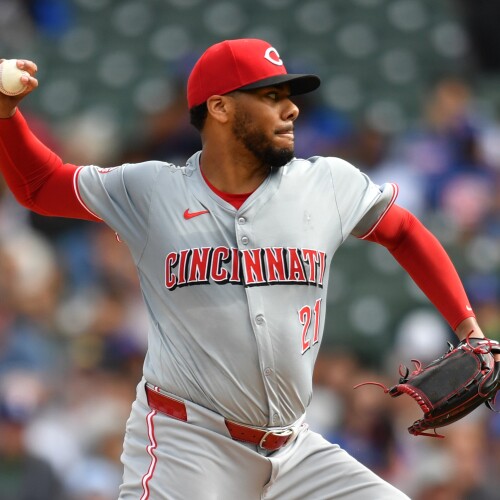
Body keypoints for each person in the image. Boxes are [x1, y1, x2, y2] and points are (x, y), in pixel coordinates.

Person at [0, 38, 489, 499]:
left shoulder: (325, 183)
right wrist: (6, 115)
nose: (292, 109)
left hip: (295, 450)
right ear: (220, 107)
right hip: (188, 446)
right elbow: (40, 186)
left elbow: (403, 231)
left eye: (289, 97)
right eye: (272, 96)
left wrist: (468, 327)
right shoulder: (152, 191)